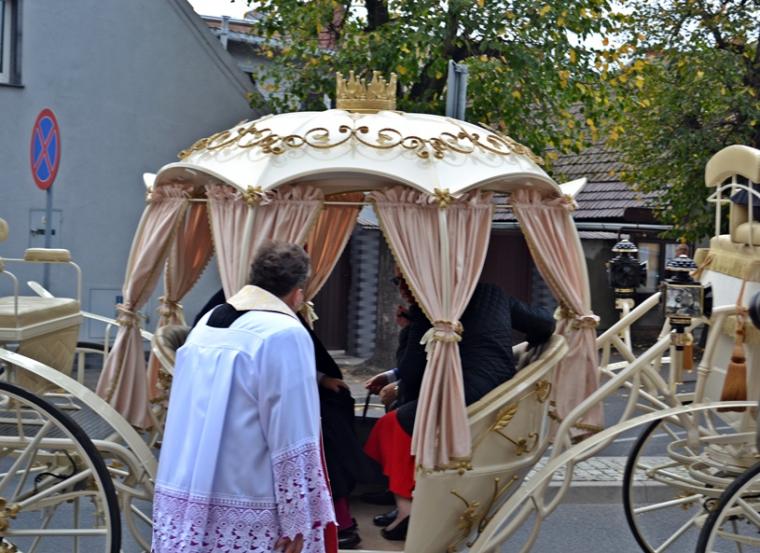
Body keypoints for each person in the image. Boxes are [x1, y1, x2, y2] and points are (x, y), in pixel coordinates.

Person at [152, 242, 337, 553]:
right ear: (298, 293)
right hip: (249, 495)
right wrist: (296, 521)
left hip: (185, 490)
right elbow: (292, 433)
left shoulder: (209, 321)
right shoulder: (284, 332)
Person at [364, 275, 556, 541]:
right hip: (496, 385)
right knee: (402, 405)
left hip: (465, 394)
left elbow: (412, 373)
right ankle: (402, 491)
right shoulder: (491, 292)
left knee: (393, 423)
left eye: (406, 280)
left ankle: (406, 509)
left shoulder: (430, 309)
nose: (403, 288)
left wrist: (408, 329)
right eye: (399, 282)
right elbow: (544, 324)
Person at [190, 302, 365, 549]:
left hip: (268, 407)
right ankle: (337, 518)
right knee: (327, 438)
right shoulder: (271, 328)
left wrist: (321, 378)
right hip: (244, 426)